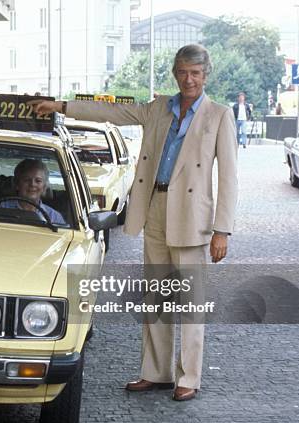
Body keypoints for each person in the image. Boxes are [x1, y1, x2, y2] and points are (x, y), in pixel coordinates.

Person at [29, 44, 238, 401]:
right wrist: (61, 106)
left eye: (196, 73)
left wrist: (222, 230)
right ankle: (155, 373)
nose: (189, 79)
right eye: (183, 72)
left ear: (206, 75)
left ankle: (189, 375)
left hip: (193, 218)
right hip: (155, 207)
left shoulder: (220, 115)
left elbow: (229, 177)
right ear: (175, 73)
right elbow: (113, 110)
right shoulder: (158, 108)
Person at [0, 159, 65, 224]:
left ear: (44, 187)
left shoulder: (54, 217)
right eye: (27, 180)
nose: (32, 184)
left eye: (38, 181)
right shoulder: (0, 208)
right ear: (17, 184)